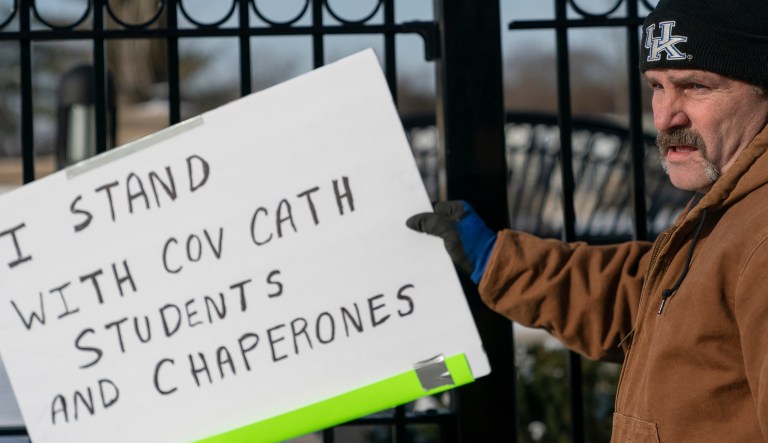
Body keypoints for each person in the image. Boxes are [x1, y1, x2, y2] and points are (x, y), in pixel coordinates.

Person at [407, 0, 768, 441]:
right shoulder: (731, 206)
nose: (666, 116)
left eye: (695, 86)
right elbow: (644, 299)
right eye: (657, 86)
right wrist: (496, 259)